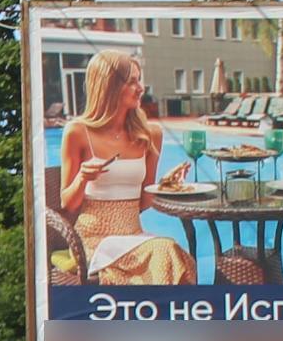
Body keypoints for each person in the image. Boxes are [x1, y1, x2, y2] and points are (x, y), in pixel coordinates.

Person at [56, 48, 192, 285]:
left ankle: (158, 318)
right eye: (132, 82)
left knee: (174, 254)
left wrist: (165, 186)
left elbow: (144, 203)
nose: (141, 88)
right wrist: (82, 178)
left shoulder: (150, 135)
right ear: (109, 86)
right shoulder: (77, 132)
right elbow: (67, 204)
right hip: (93, 240)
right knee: (166, 250)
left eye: (139, 80)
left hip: (134, 236)